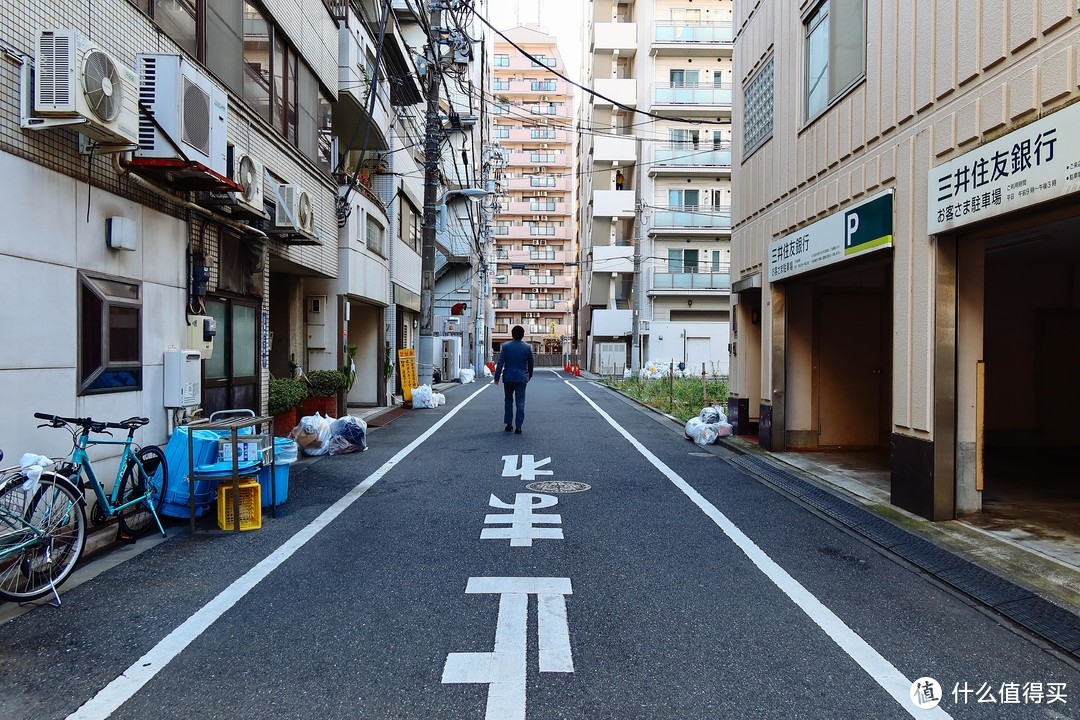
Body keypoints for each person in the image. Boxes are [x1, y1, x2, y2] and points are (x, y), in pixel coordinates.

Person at [493, 325, 534, 434]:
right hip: (521, 377)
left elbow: (500, 362)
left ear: (512, 334)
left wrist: (496, 377)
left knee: (508, 400)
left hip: (509, 377)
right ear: (522, 335)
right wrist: (529, 375)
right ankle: (519, 427)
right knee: (520, 402)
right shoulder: (527, 347)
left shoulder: (506, 346)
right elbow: (531, 363)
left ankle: (508, 424)